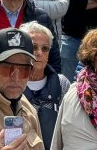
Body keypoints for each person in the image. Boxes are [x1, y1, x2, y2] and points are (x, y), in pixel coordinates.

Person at [20, 21, 70, 149]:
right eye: (33, 47)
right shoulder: (10, 83)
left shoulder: (62, 83)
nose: (39, 53)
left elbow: (70, 127)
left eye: (45, 48)